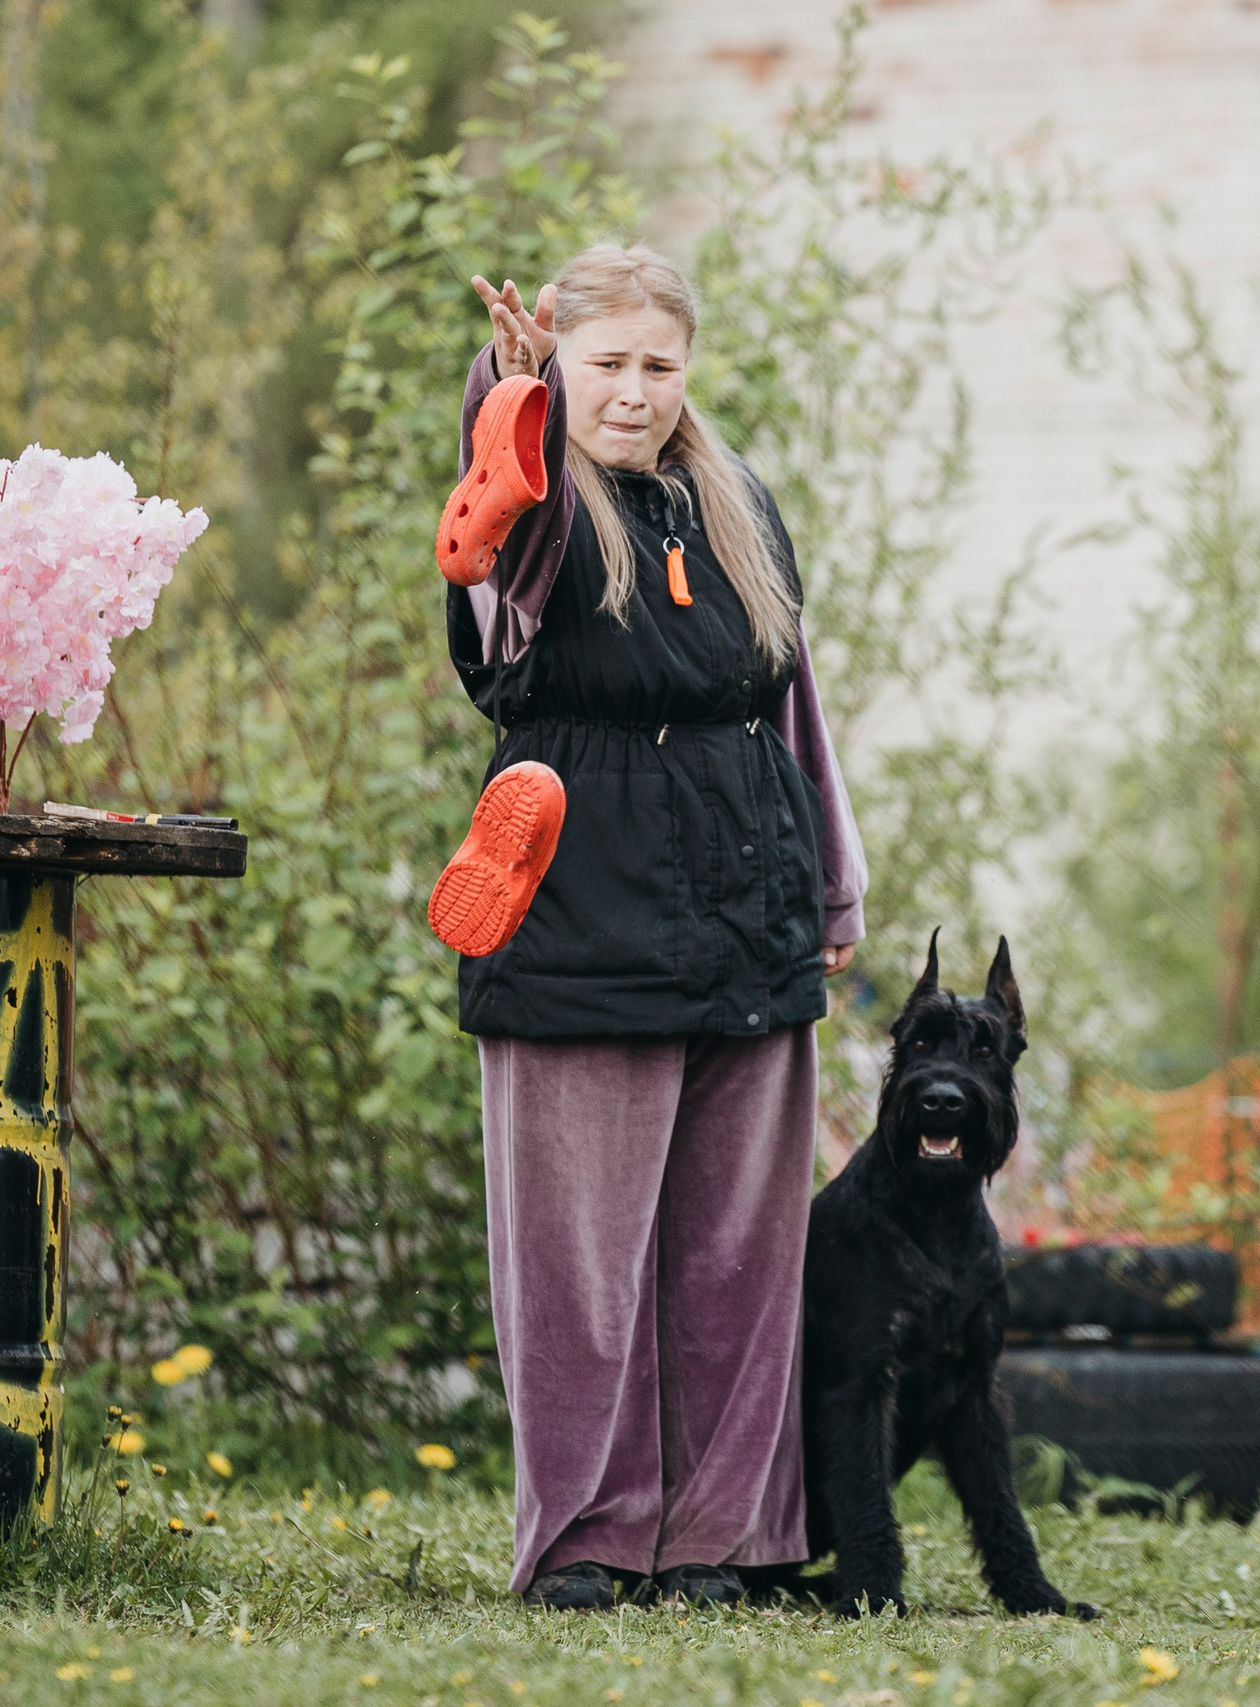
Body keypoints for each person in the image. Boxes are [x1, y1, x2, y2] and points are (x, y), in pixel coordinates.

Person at [446, 243, 868, 1609]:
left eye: (658, 365)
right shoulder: (538, 515)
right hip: (578, 900)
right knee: (581, 1263)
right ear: (562, 364)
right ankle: (587, 1536)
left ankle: (717, 1540)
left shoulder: (738, 505)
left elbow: (794, 706)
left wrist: (835, 888)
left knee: (738, 1256)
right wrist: (505, 390)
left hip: (752, 901)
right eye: (605, 363)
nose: (633, 391)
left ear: (689, 369)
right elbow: (494, 523)